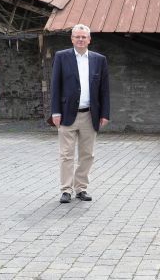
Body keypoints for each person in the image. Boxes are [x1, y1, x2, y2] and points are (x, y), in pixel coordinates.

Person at [49, 24, 110, 204]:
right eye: (78, 37)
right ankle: (66, 190)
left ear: (89, 40)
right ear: (72, 39)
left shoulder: (99, 60)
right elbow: (55, 86)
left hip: (90, 115)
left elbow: (104, 90)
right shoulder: (62, 57)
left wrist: (104, 114)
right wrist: (55, 112)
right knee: (66, 154)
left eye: (84, 37)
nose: (81, 40)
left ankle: (81, 188)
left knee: (87, 155)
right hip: (66, 114)